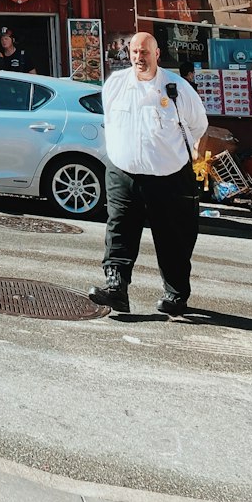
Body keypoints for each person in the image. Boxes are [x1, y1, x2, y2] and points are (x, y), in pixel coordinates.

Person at [88, 31, 208, 317]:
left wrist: (188, 157)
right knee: (118, 229)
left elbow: (198, 127)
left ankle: (176, 295)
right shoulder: (115, 84)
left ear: (156, 55)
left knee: (172, 238)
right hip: (123, 171)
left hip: (167, 175)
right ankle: (116, 288)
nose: (139, 58)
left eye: (144, 52)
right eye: (134, 52)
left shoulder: (176, 88)